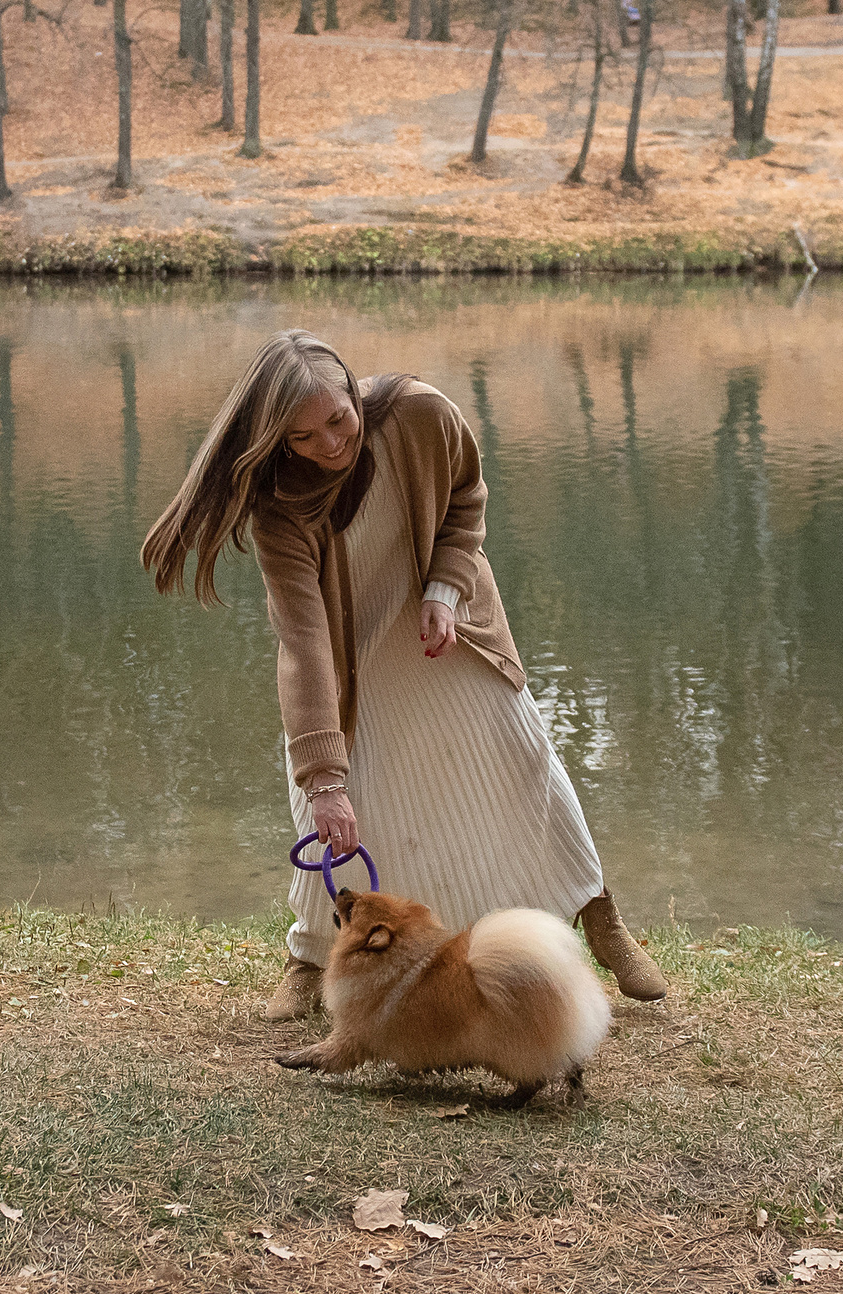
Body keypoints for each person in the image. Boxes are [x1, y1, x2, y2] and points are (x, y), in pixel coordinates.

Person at [141, 329, 667, 1020]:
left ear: (354, 389)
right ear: (278, 440)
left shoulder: (422, 414)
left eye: (338, 418)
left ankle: (599, 918)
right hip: (350, 663)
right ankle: (308, 954)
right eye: (303, 437)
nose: (330, 443)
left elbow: (467, 497)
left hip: (446, 633)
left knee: (524, 767)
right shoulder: (280, 507)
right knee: (334, 813)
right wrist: (325, 779)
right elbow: (304, 643)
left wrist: (446, 589)